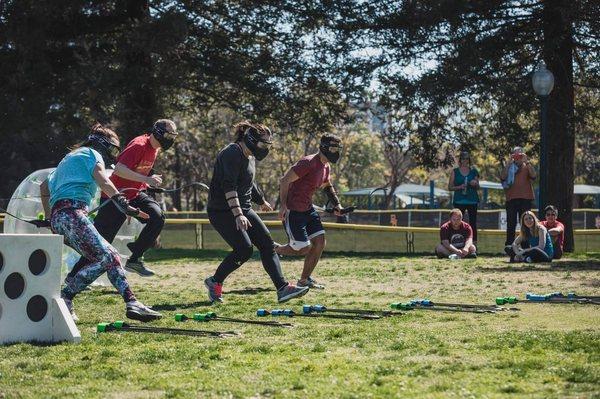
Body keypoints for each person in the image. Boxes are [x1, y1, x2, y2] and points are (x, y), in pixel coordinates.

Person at [39, 123, 162, 321]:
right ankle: (66, 297)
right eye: (113, 149)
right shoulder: (92, 155)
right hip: (73, 214)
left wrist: (49, 218)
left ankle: (131, 303)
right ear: (102, 145)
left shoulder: (68, 158)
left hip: (61, 218)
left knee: (103, 257)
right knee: (110, 256)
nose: (113, 155)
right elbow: (104, 182)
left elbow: (44, 188)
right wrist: (122, 202)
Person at [203, 121, 309, 303]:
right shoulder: (231, 153)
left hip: (243, 208)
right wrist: (238, 214)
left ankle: (282, 288)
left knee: (267, 244)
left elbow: (248, 182)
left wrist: (260, 200)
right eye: (263, 144)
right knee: (244, 249)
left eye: (268, 145)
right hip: (222, 211)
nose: (265, 149)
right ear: (251, 140)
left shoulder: (249, 156)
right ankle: (215, 282)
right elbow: (229, 185)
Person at [69, 119, 178, 278]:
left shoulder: (155, 149)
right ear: (159, 133)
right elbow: (119, 169)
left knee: (157, 217)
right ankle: (73, 276)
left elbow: (136, 173)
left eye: (173, 136)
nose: (171, 139)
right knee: (100, 243)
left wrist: (147, 183)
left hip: (135, 193)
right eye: (169, 135)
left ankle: (135, 259)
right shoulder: (139, 145)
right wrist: (146, 179)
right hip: (115, 195)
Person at [275, 134, 344, 289]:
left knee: (320, 242)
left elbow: (327, 185)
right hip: (294, 210)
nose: (336, 152)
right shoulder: (308, 163)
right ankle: (274, 249)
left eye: (338, 149)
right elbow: (284, 180)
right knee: (303, 248)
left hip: (308, 210)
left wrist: (337, 205)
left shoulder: (326, 166)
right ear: (324, 147)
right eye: (333, 148)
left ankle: (304, 280)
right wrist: (283, 206)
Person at [500, 146, 536, 248]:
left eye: (520, 155)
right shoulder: (509, 166)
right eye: (515, 155)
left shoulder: (527, 165)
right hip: (511, 198)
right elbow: (502, 177)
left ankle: (526, 246)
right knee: (511, 224)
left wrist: (527, 161)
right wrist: (508, 164)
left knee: (526, 224)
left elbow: (533, 176)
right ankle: (509, 246)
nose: (517, 157)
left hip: (525, 198)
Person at [448, 151, 480, 242]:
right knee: (456, 223)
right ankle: (456, 242)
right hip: (459, 201)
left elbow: (478, 187)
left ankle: (473, 244)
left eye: (467, 158)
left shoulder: (474, 171)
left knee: (473, 223)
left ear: (469, 160)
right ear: (460, 160)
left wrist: (475, 184)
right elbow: (450, 187)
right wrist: (459, 187)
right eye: (463, 158)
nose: (465, 160)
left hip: (472, 200)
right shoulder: (455, 171)